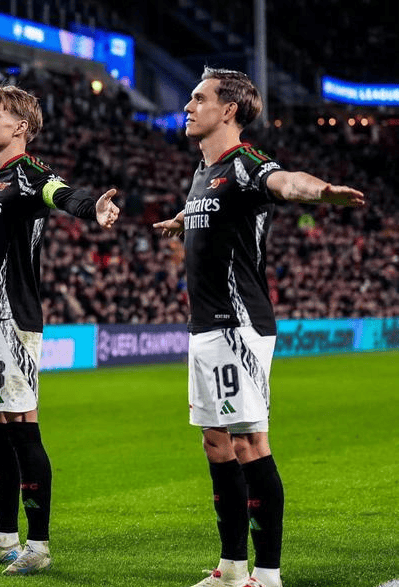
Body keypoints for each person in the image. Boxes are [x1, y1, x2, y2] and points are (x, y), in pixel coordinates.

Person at [153, 67, 364, 587]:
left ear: (228, 110)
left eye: (198, 98)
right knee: (215, 442)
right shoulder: (204, 172)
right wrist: (184, 219)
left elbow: (284, 181)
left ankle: (267, 575)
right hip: (205, 327)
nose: (187, 106)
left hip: (237, 324)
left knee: (249, 443)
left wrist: (320, 192)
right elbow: (214, 207)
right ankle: (230, 568)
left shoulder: (245, 162)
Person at [0, 77, 119, 575]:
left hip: (11, 318)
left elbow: (59, 193)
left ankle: (38, 545)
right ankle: (4, 537)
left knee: (22, 424)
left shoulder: (28, 171)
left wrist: (92, 207)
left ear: (20, 127)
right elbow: (3, 223)